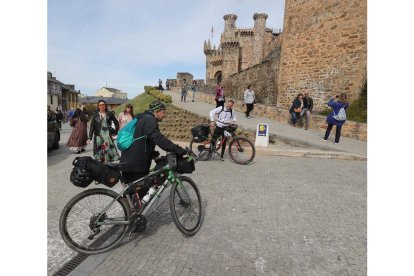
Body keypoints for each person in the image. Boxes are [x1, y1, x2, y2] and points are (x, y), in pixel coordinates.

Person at [120, 100, 187, 199]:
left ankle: (130, 211)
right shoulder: (150, 120)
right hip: (136, 165)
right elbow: (159, 139)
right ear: (157, 111)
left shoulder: (141, 118)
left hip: (128, 161)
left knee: (133, 196)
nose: (165, 115)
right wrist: (178, 150)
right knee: (138, 193)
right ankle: (131, 212)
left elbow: (141, 139)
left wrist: (152, 153)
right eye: (163, 112)